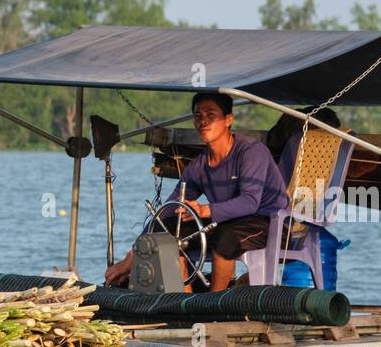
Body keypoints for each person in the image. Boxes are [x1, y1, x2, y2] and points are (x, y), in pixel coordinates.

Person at [105, 92, 290, 292]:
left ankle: (215, 307)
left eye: (211, 115)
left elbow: (250, 202)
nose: (203, 121)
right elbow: (168, 209)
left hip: (269, 223)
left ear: (228, 119)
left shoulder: (251, 151)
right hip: (227, 222)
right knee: (166, 231)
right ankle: (183, 303)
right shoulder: (200, 165)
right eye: (198, 116)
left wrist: (204, 211)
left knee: (224, 238)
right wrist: (131, 257)